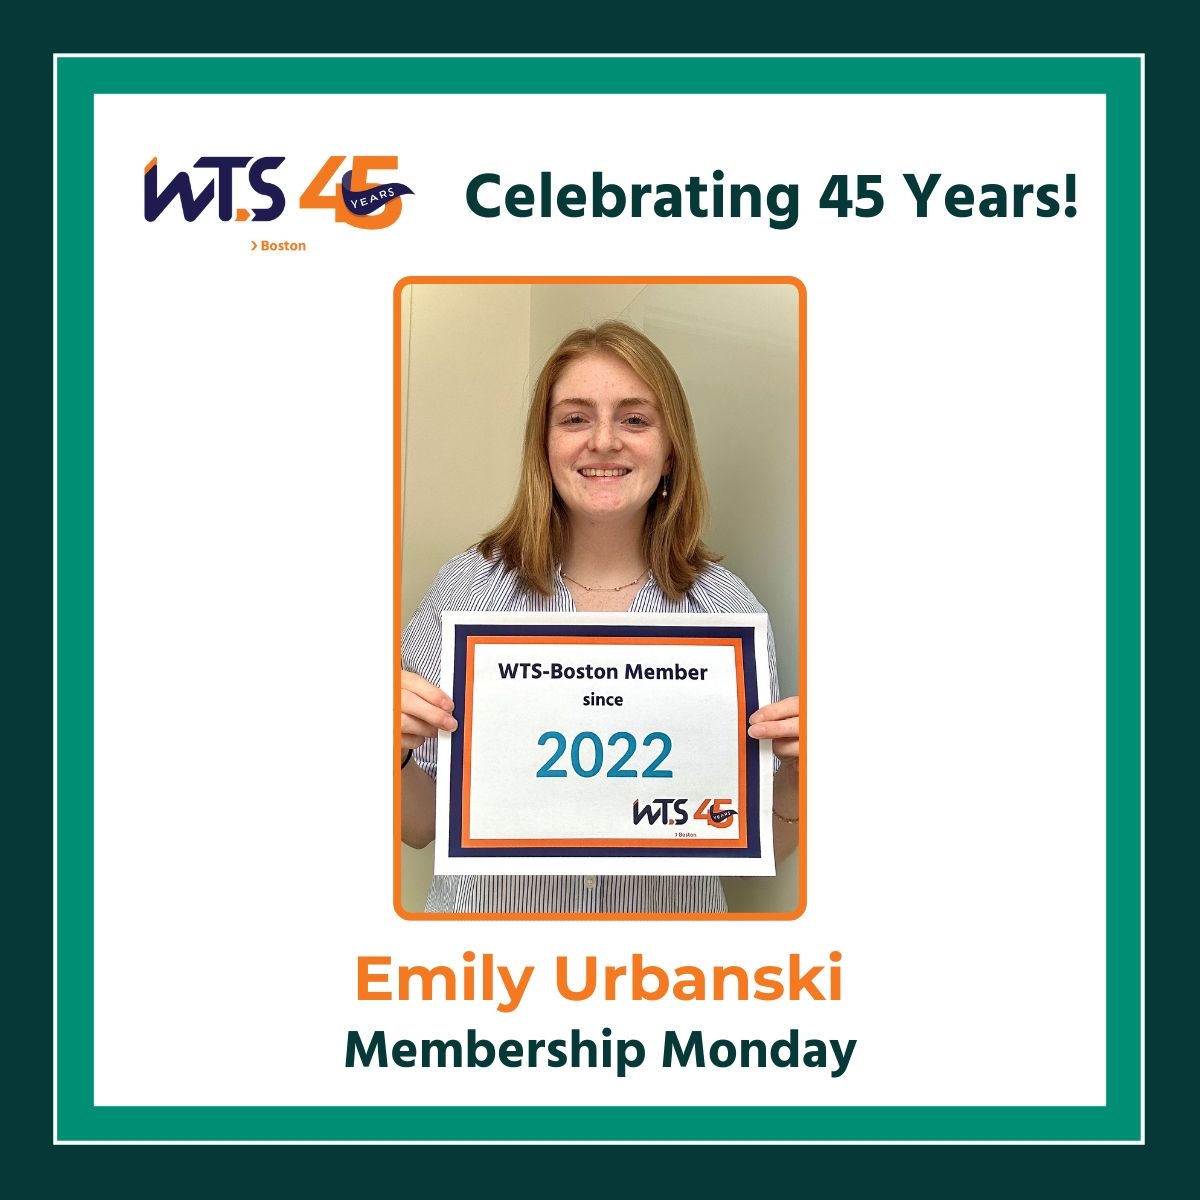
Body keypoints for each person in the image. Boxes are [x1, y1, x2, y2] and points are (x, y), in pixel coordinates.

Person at [399, 320, 801, 913]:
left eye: (635, 419)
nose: (605, 441)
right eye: (575, 418)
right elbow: (420, 824)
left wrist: (803, 773)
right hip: (486, 962)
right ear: (545, 446)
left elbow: (761, 838)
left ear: (670, 454)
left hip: (664, 970)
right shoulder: (468, 590)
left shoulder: (727, 611)